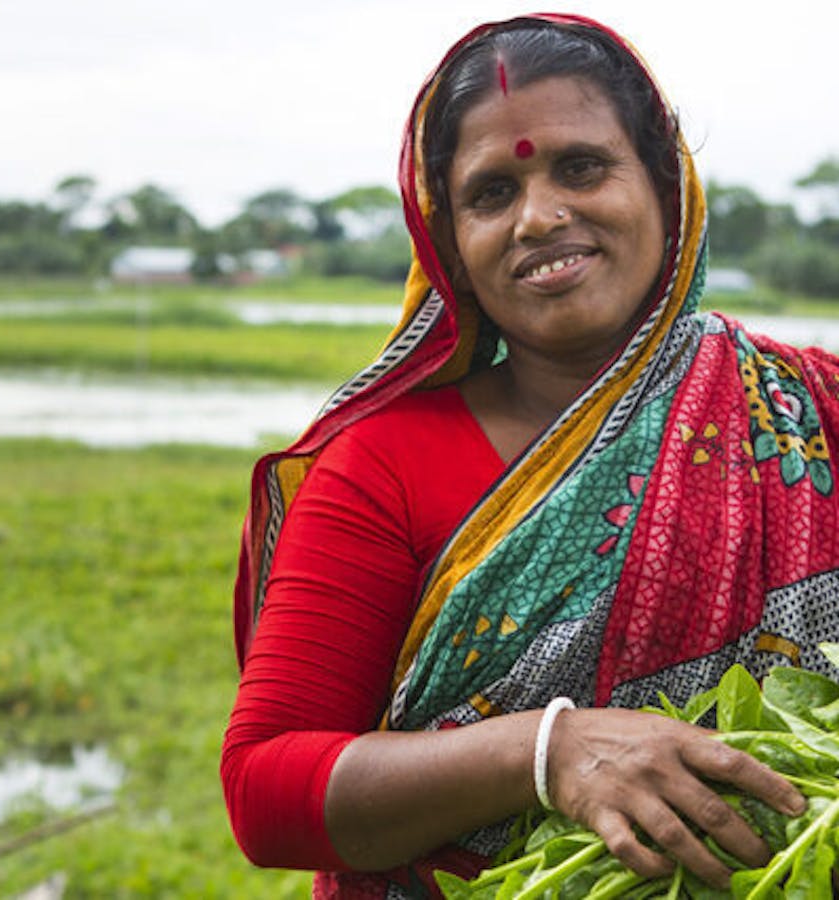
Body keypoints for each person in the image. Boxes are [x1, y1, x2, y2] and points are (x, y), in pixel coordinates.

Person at [220, 12, 839, 899]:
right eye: (489, 194)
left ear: (668, 187)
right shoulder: (382, 465)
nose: (539, 218)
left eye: (581, 168)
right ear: (451, 249)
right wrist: (547, 751)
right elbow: (266, 791)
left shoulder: (804, 411)